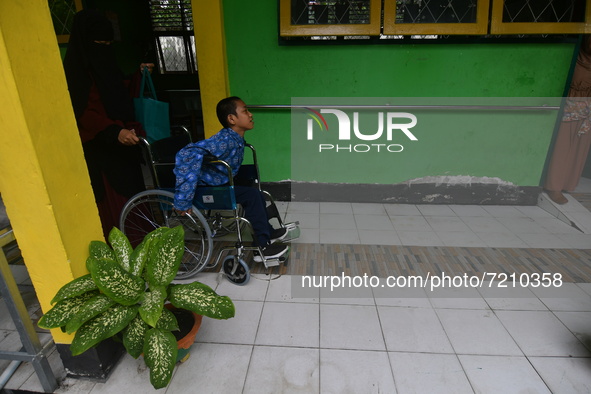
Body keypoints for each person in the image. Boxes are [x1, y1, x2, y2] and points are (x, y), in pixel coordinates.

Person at [63, 9, 154, 238]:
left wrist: (138, 76)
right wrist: (113, 131)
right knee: (114, 201)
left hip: (124, 144)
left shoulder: (106, 65)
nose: (104, 47)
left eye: (107, 42)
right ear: (86, 43)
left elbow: (118, 94)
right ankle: (123, 252)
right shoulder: (76, 76)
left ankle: (144, 245)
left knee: (134, 193)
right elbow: (83, 112)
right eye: (98, 42)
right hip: (101, 149)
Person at [173, 97, 289, 262]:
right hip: (206, 186)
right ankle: (262, 248)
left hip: (220, 179)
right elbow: (187, 154)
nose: (250, 115)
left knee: (254, 189)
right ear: (232, 119)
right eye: (245, 111)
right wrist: (183, 200)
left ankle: (267, 231)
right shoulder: (224, 141)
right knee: (252, 196)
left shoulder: (234, 138)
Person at [544, 35, 591, 205]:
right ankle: (554, 186)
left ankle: (568, 183)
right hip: (570, 108)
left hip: (587, 111)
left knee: (579, 147)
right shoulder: (574, 58)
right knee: (562, 147)